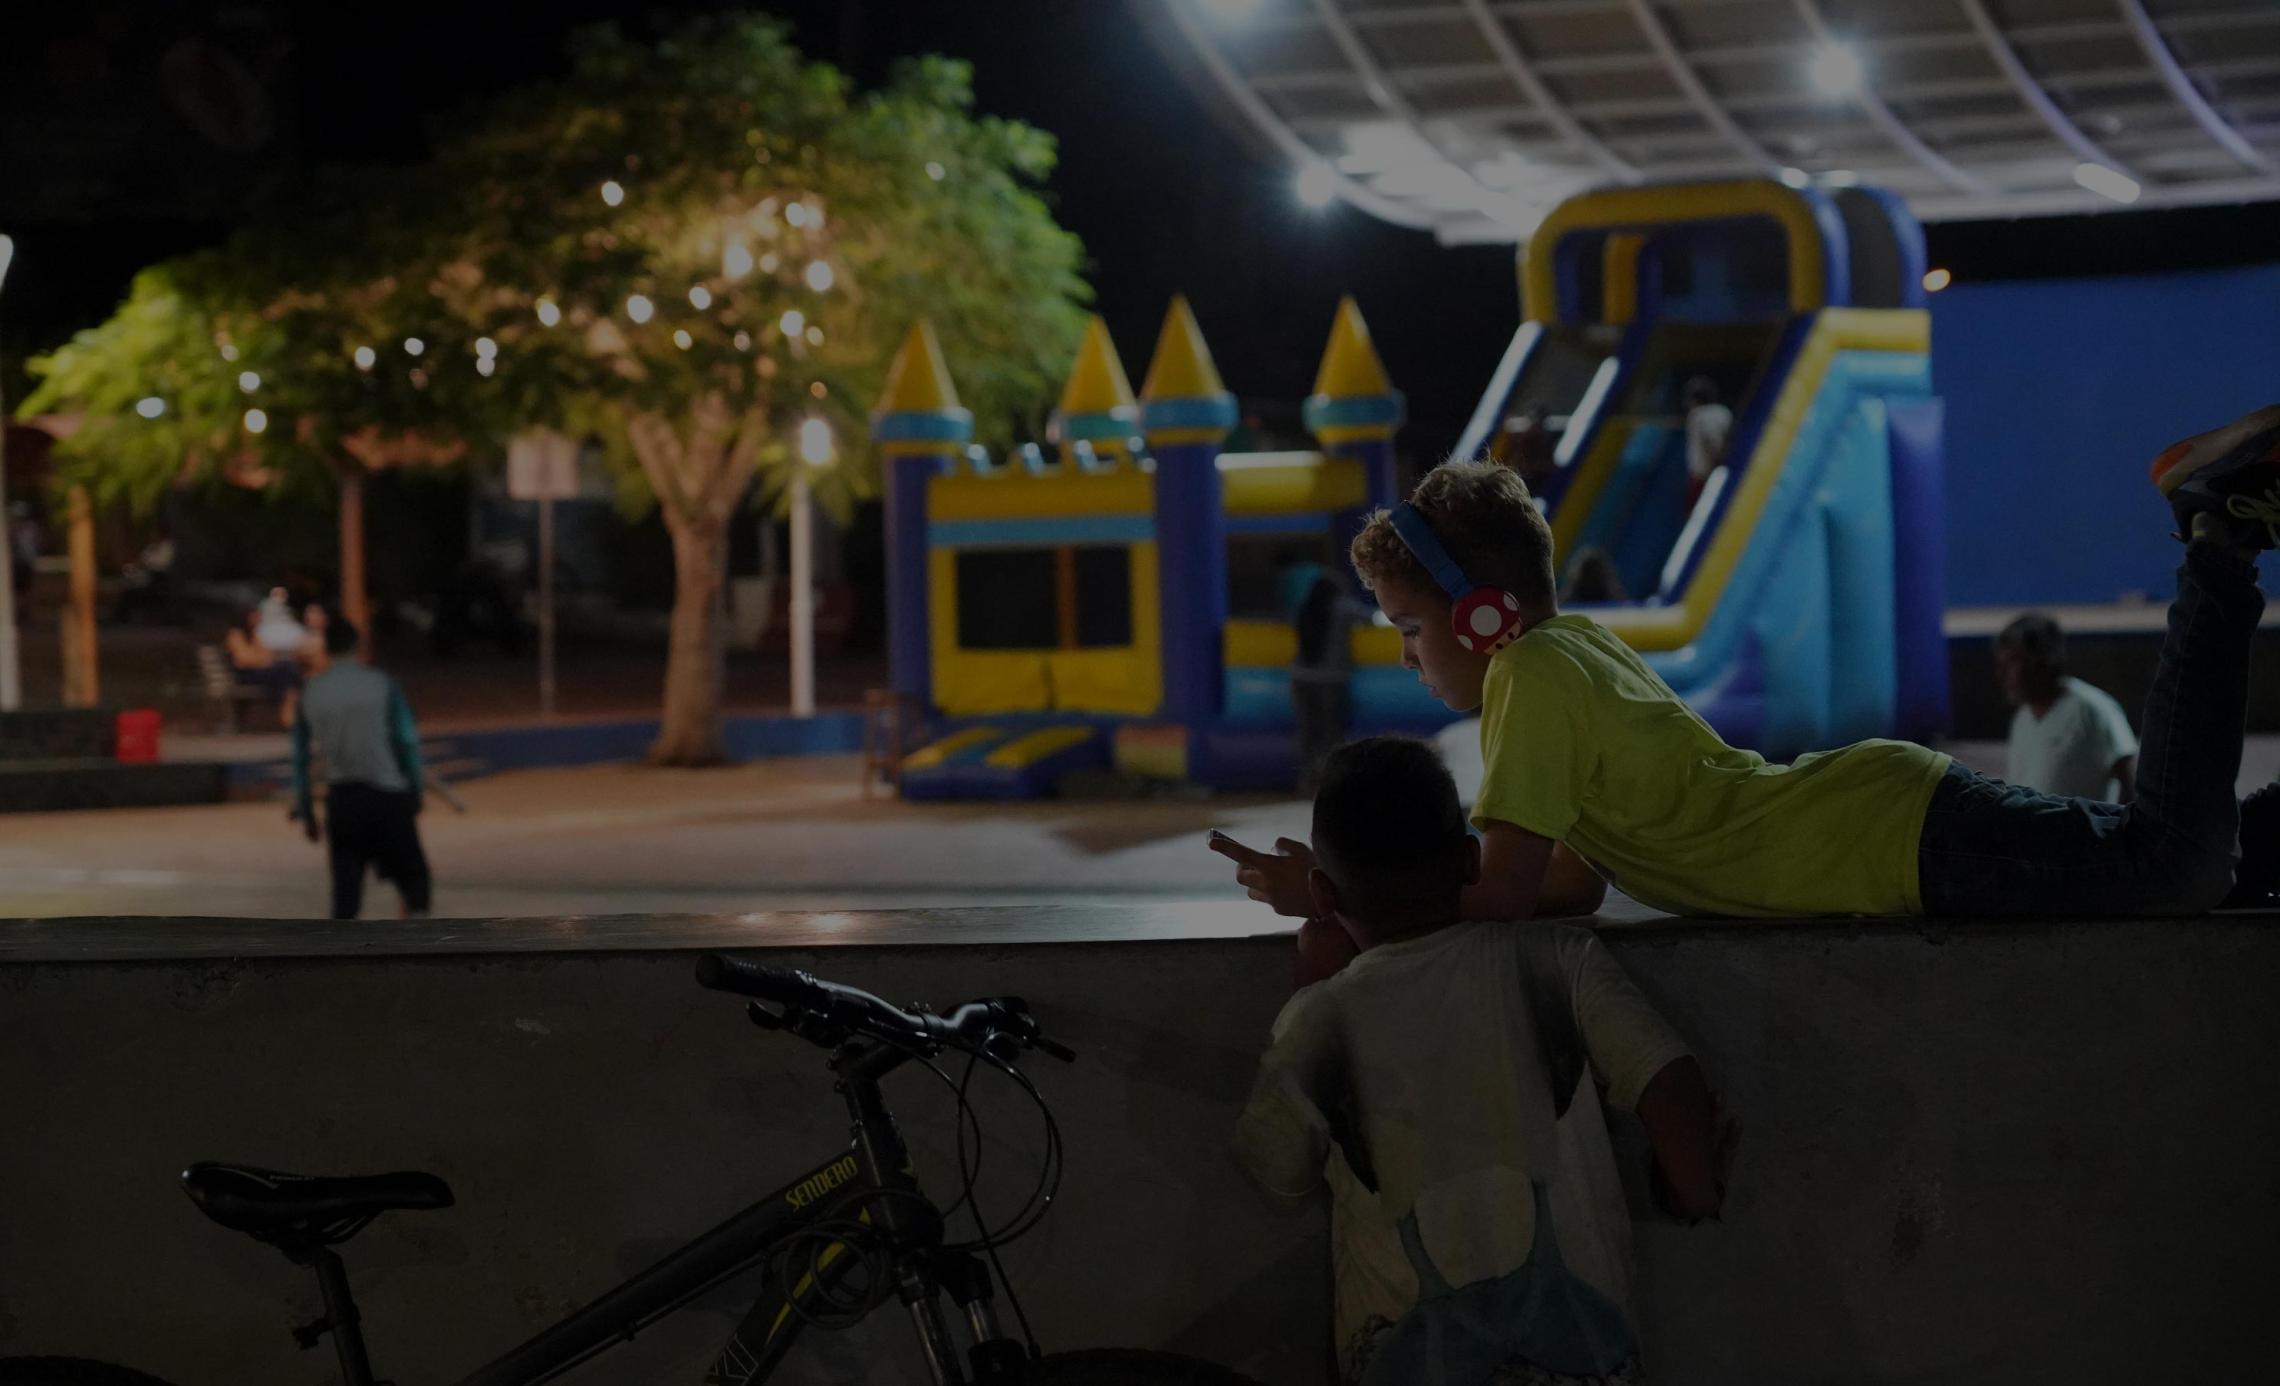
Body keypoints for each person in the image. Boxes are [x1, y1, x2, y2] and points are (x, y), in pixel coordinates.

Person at [1215, 401, 2280, 922]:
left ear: (1485, 615)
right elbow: (1572, 884)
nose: (1406, 657)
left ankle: (2216, 539)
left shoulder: (1530, 679)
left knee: (2175, 869)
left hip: (1886, 845)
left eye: (1408, 625)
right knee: (2213, 879)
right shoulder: (1569, 654)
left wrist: (1332, 895)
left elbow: (1498, 904)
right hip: (1885, 823)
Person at [1232, 737, 1723, 1385]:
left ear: (1323, 892)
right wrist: (1688, 1189)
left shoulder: (1321, 1020)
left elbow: (1279, 1168)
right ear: (1470, 861)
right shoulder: (1558, 960)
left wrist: (1313, 994)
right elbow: (1671, 1082)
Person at [291, 616, 432, 920]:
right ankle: (415, 951)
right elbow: (406, 741)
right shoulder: (381, 684)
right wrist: (416, 790)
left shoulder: (311, 692)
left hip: (342, 800)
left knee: (346, 899)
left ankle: (341, 962)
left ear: (326, 648)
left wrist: (306, 812)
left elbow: (300, 759)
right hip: (387, 795)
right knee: (414, 882)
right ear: (358, 646)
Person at [1995, 613, 2137, 802]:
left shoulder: (2091, 709)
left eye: (2013, 662)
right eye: (2001, 664)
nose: (2002, 674)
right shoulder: (2022, 718)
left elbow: (2129, 779)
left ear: (2044, 660)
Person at [1291, 568, 1363, 792]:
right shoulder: (1342, 608)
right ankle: (1329, 780)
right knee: (1331, 732)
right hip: (1331, 679)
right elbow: (1372, 617)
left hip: (1301, 677)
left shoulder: (1304, 609)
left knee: (1308, 731)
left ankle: (1306, 778)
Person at [1681, 378, 1731, 512]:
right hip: (1722, 471)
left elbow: (1712, 439)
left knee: (1696, 512)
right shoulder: (1724, 412)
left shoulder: (1699, 415)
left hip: (1702, 474)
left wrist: (1718, 458)